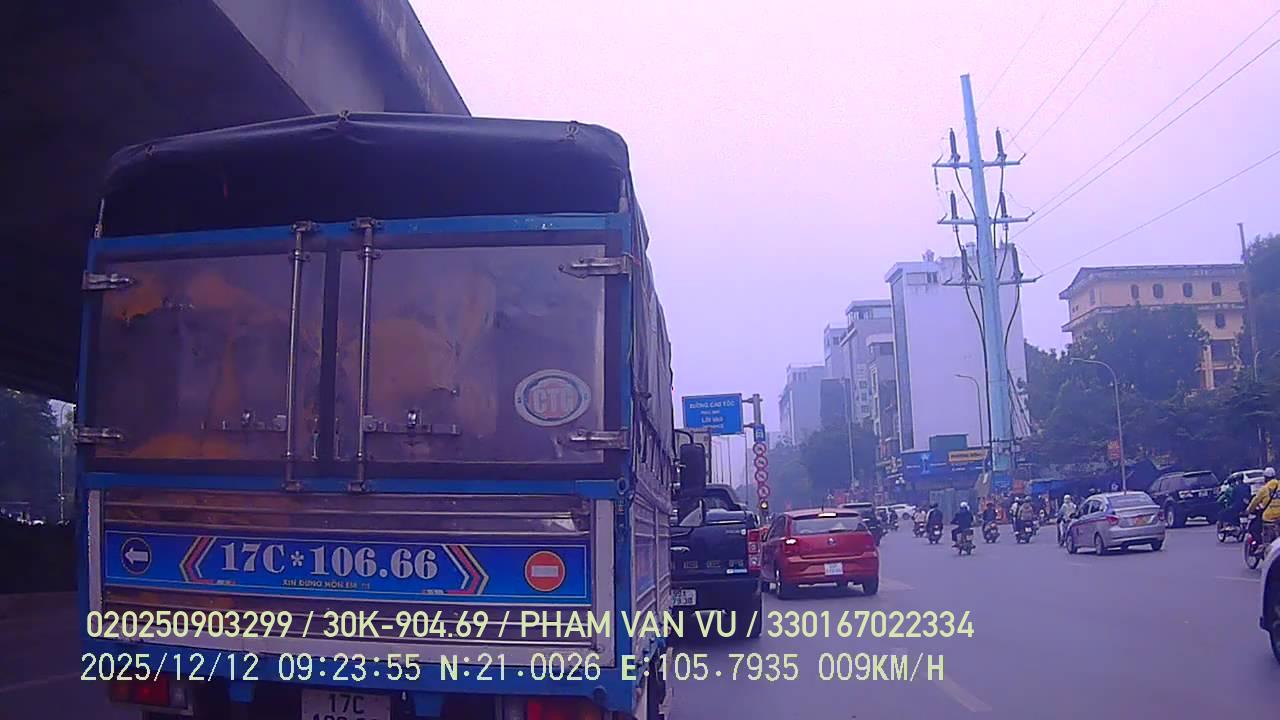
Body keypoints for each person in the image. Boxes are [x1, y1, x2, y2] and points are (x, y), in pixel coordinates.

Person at [1245, 467, 1280, 543]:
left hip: (1269, 517)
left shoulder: (1264, 489)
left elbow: (1255, 501)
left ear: (1265, 478)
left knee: (1254, 528)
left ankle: (1261, 544)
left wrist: (1248, 510)